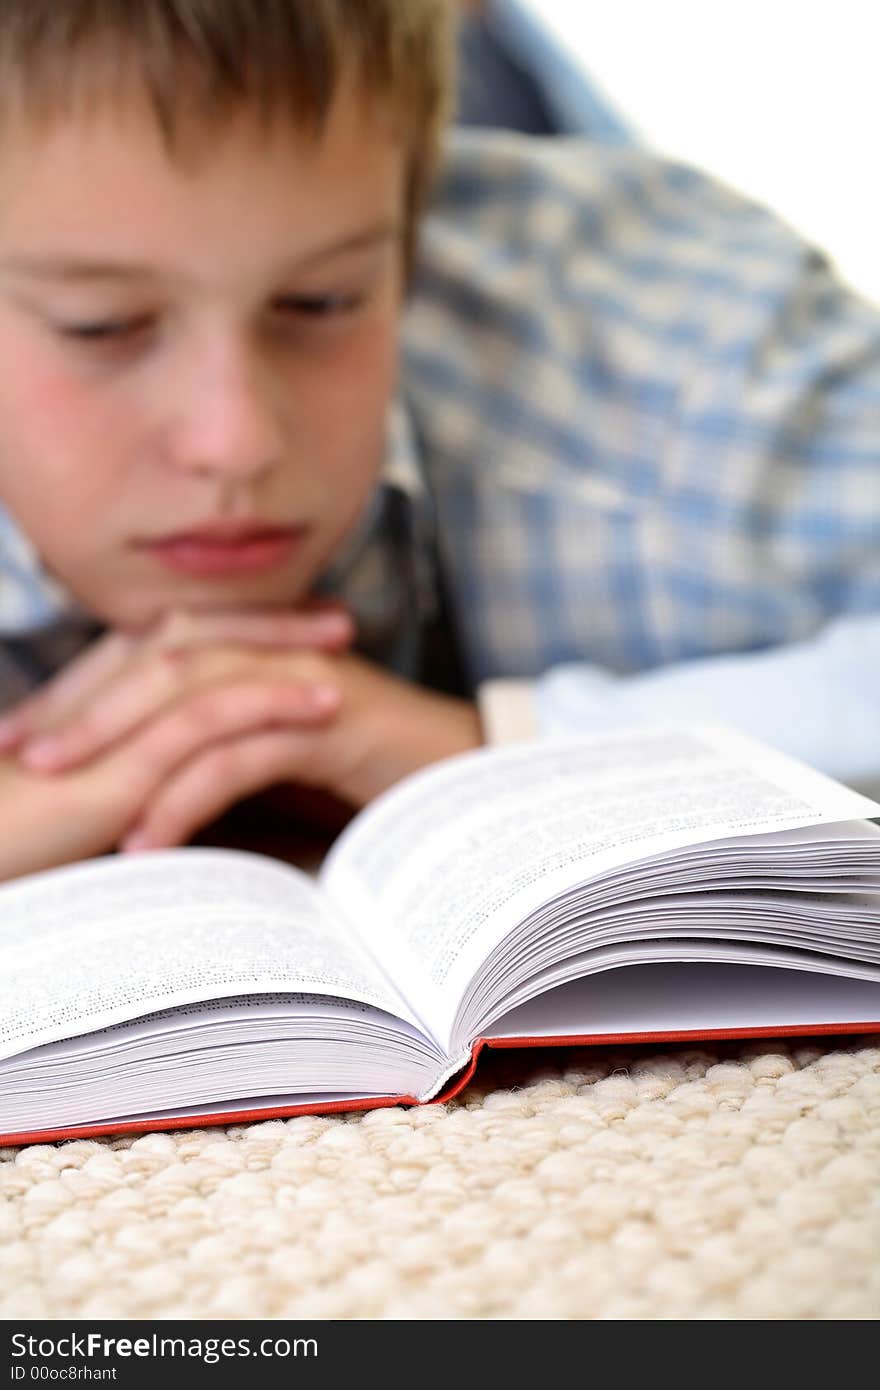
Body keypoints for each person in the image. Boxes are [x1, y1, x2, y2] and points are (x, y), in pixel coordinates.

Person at [0, 0, 878, 885]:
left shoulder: (684, 363)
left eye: (323, 301)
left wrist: (502, 751)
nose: (235, 444)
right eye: (99, 325)